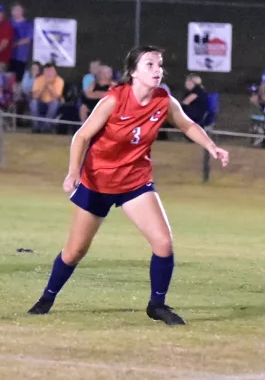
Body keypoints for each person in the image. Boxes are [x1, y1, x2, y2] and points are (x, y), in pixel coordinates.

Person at [26, 45, 229, 326]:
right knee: (75, 251)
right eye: (150, 65)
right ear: (133, 71)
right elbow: (81, 136)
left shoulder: (164, 100)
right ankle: (47, 298)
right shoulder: (114, 99)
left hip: (135, 182)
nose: (157, 70)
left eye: (159, 65)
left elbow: (187, 125)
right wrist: (73, 172)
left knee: (163, 243)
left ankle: (157, 305)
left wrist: (211, 146)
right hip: (97, 181)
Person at [29, 63, 64, 133]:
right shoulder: (38, 80)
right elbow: (34, 97)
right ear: (43, 72)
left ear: (55, 72)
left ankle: (46, 128)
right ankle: (36, 128)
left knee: (55, 103)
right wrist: (44, 87)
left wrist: (49, 87)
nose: (49, 73)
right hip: (41, 103)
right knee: (33, 103)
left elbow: (57, 97)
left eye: (51, 71)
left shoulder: (59, 81)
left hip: (52, 104)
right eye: (47, 71)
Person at [9, 3, 34, 83]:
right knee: (9, 78)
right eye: (15, 10)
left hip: (21, 56)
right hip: (8, 56)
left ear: (22, 11)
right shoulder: (9, 22)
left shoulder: (27, 24)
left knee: (18, 78)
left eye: (19, 10)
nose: (17, 12)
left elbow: (28, 39)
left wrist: (15, 44)